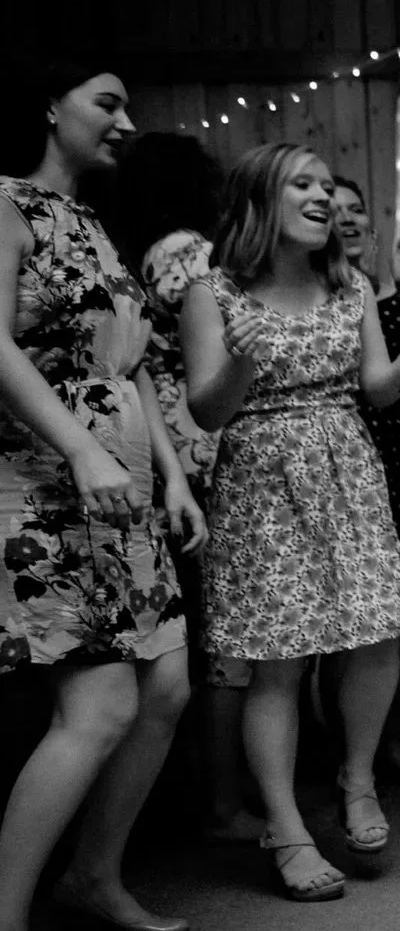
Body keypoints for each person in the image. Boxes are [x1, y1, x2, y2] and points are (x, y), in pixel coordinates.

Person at [180, 143, 400, 901]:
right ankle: (285, 825)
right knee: (279, 663)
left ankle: (356, 777)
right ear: (257, 201)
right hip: (262, 480)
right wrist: (242, 362)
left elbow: (375, 390)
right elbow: (207, 413)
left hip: (348, 466)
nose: (321, 197)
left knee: (376, 637)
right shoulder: (214, 292)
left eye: (324, 186)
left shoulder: (352, 286)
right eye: (300, 185)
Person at [0, 61, 205, 931]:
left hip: (123, 479)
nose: (127, 121)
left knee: (166, 686)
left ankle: (94, 877)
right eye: (107, 103)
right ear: (49, 105)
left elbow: (127, 367)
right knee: (98, 701)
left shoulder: (92, 223)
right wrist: (83, 448)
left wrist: (166, 471)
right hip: (45, 480)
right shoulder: (7, 204)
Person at [115, 131, 267, 843]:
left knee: (210, 632)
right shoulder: (186, 251)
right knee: (222, 637)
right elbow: (234, 322)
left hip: (173, 441)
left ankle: (205, 792)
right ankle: (220, 801)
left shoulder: (137, 245)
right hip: (199, 446)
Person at [327, 176, 400, 791]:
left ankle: (393, 739)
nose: (345, 218)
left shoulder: (390, 290)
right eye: (334, 210)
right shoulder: (317, 291)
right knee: (344, 613)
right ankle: (340, 747)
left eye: (356, 209)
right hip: (341, 457)